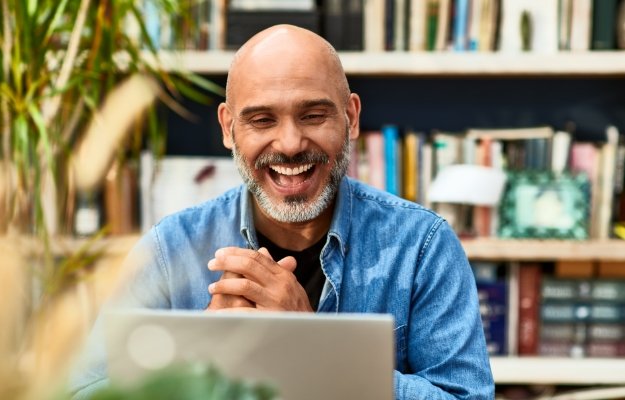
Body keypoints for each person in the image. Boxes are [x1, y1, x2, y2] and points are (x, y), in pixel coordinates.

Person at [71, 24, 494, 399]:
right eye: (262, 120)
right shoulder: (169, 249)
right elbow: (83, 393)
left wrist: (313, 347)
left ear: (350, 118)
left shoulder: (422, 247)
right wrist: (195, 356)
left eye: (313, 115)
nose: (290, 144)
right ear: (227, 128)